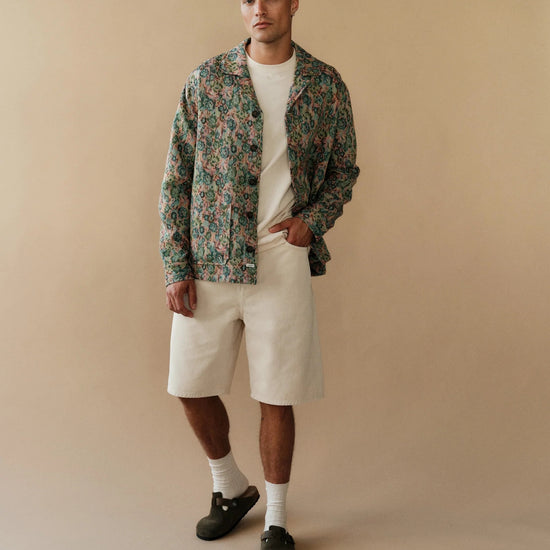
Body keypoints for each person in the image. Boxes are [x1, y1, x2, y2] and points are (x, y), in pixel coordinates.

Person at [158, 1, 359, 548]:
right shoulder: (207, 80)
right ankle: (229, 487)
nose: (259, 8)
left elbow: (344, 168)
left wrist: (312, 222)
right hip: (210, 259)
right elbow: (177, 175)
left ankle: (276, 519)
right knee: (189, 386)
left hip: (280, 259)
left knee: (277, 392)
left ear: (294, 3)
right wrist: (176, 263)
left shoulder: (323, 84)